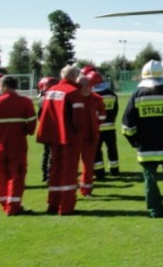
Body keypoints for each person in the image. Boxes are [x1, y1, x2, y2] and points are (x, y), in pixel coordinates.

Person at [122, 60, 163, 218]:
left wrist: (134, 141)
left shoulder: (137, 95)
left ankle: (155, 210)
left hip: (146, 147)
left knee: (150, 181)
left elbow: (127, 125)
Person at [36, 65, 87, 215]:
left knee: (55, 171)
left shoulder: (50, 91)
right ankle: (65, 206)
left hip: (53, 137)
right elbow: (79, 120)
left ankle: (53, 203)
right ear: (73, 77)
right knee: (69, 172)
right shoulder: (73, 93)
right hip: (69, 138)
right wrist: (81, 135)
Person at [0, 75, 37, 216]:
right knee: (17, 175)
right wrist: (24, 132)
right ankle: (13, 206)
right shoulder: (25, 102)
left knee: (2, 175)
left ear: (5, 86)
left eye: (0, 86)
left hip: (0, 144)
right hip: (18, 144)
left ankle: (5, 203)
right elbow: (31, 125)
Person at [77, 71, 105, 197]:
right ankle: (70, 190)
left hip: (91, 136)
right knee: (71, 165)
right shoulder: (72, 97)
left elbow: (103, 115)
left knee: (88, 165)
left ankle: (86, 189)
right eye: (80, 85)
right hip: (75, 136)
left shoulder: (97, 99)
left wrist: (95, 124)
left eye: (86, 84)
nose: (84, 87)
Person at [92, 70, 120, 179]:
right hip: (110, 126)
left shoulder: (93, 96)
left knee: (97, 150)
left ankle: (99, 173)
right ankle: (115, 170)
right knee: (112, 149)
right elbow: (115, 110)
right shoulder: (112, 95)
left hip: (97, 127)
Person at [36, 76, 59, 182]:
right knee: (51, 152)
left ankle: (45, 175)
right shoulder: (48, 98)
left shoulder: (41, 98)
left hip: (45, 128)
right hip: (53, 128)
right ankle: (50, 175)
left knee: (47, 152)